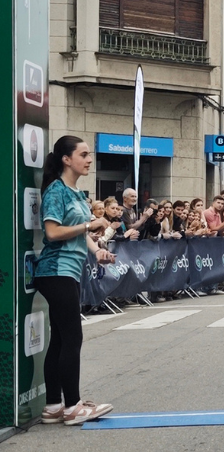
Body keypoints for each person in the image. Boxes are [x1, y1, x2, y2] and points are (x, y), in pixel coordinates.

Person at [35, 136, 115, 426]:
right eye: (83, 154)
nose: (89, 159)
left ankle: (54, 406)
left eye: (89, 154)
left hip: (67, 271)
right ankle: (72, 407)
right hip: (55, 271)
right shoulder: (56, 191)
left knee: (59, 339)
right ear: (66, 159)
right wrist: (90, 224)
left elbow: (81, 234)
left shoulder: (76, 192)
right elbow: (53, 232)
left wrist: (97, 251)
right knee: (72, 338)